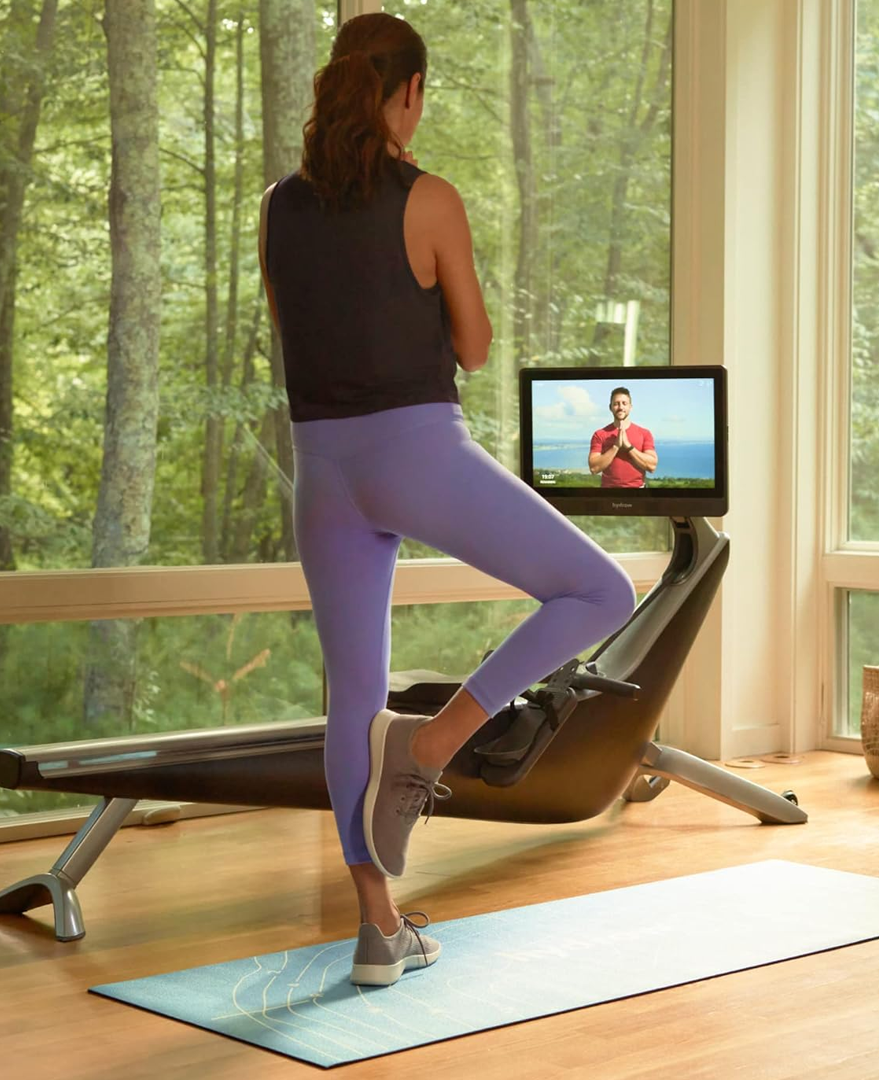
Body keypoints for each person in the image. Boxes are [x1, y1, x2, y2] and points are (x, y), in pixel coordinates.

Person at [257, 13, 635, 988]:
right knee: (599, 594)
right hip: (414, 449)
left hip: (323, 471)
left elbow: (301, 330)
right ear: (411, 93)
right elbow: (471, 346)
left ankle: (378, 932)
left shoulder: (277, 210)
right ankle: (436, 743)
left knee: (353, 696)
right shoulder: (428, 197)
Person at [587, 387, 657, 488]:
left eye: (624, 403)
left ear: (630, 407)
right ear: (610, 407)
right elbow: (594, 468)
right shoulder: (599, 434)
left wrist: (628, 446)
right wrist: (615, 447)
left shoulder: (644, 433)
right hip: (608, 495)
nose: (620, 407)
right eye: (616, 404)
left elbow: (652, 466)